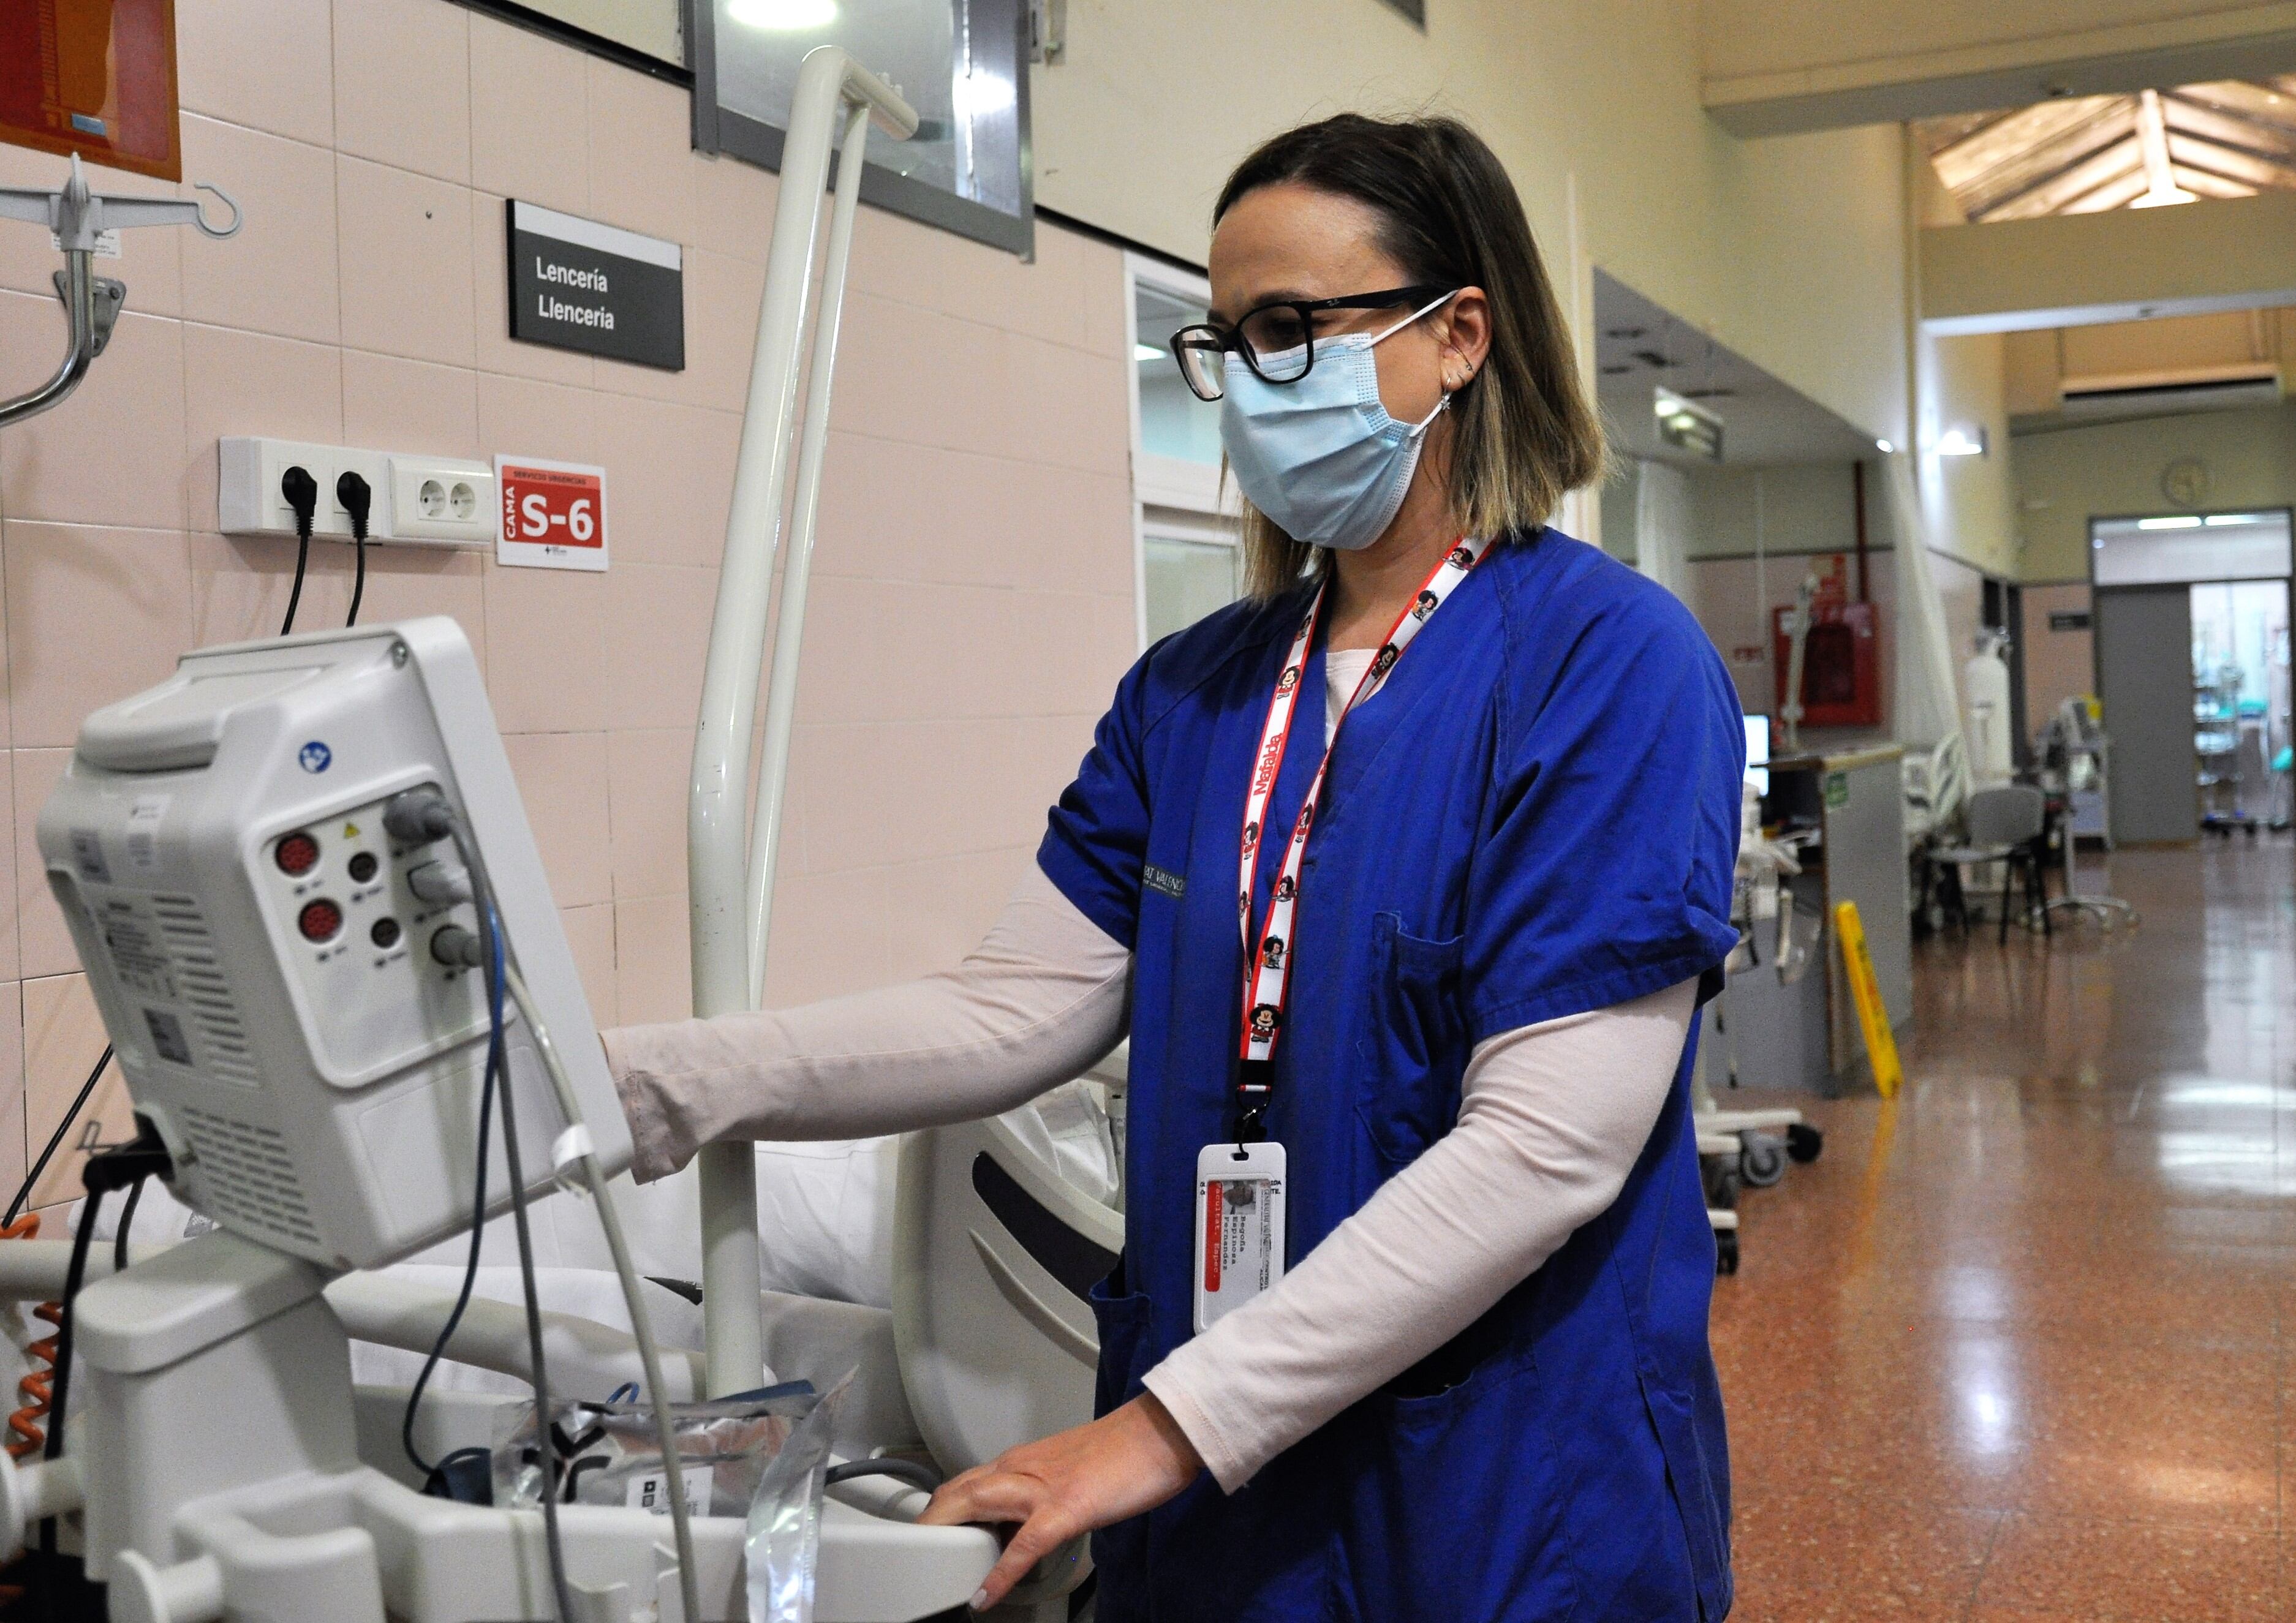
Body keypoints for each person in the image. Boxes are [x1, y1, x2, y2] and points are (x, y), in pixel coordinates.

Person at [608, 110, 1744, 1621]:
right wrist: (648, 1080)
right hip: (1223, 1507)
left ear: (1454, 335)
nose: (1247, 385)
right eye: (1224, 341)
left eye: (1289, 328)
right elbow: (1012, 1006)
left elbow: (1547, 1146)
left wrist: (1150, 1431)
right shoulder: (1191, 691)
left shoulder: (1607, 664)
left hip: (1501, 1483)